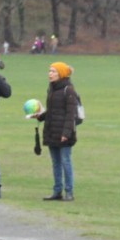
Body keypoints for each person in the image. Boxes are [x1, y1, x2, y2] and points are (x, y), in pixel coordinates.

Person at [31, 61, 78, 201]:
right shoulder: (51, 88)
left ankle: (69, 192)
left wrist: (66, 133)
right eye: (49, 71)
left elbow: (71, 114)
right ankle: (57, 191)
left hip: (64, 133)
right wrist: (40, 116)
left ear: (61, 74)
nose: (50, 74)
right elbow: (52, 111)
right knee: (56, 163)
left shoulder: (69, 90)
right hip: (52, 131)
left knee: (65, 162)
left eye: (53, 71)